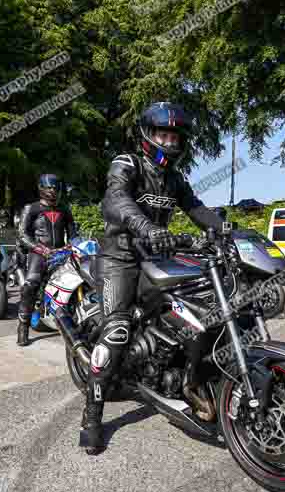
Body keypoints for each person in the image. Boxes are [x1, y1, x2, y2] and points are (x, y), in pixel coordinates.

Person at [80, 101, 225, 455]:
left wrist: (227, 232)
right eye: (163, 134)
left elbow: (197, 210)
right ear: (147, 134)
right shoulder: (126, 163)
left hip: (157, 256)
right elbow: (114, 200)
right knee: (117, 330)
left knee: (194, 306)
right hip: (120, 258)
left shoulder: (175, 178)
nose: (170, 142)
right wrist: (143, 225)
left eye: (175, 136)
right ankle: (92, 416)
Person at [16, 173, 78, 346]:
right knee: (30, 285)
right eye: (49, 187)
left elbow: (73, 234)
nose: (53, 191)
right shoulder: (31, 208)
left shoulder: (65, 209)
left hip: (61, 253)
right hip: (39, 253)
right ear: (41, 188)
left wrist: (72, 245)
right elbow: (22, 235)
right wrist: (40, 249)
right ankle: (23, 326)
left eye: (56, 187)